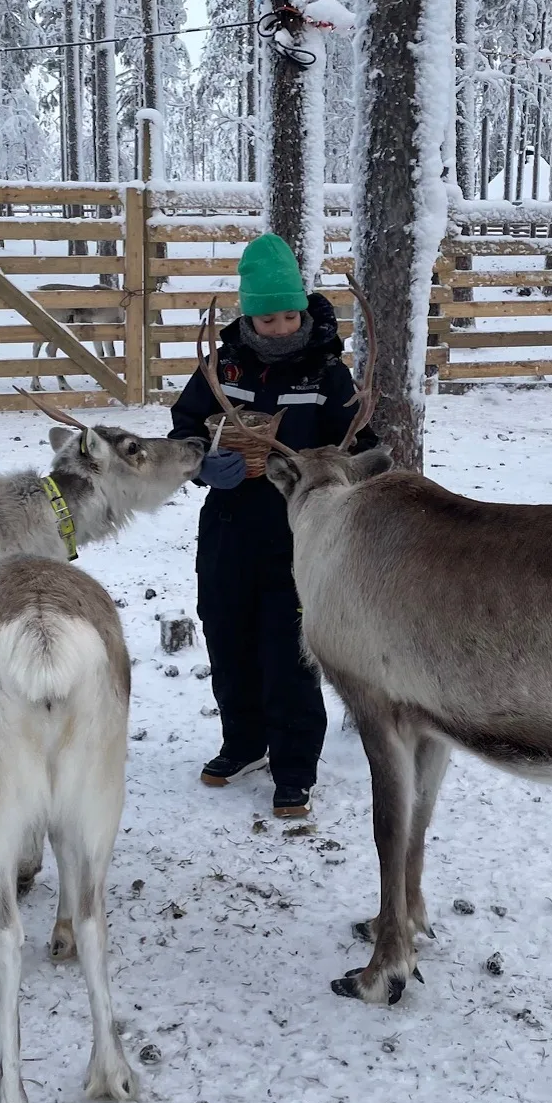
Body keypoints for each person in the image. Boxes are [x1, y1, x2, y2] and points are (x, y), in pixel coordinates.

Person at [169, 231, 379, 818]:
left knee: (290, 652)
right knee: (227, 635)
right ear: (248, 316)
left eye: (290, 315)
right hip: (229, 526)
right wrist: (201, 464)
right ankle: (243, 743)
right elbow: (184, 429)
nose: (282, 328)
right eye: (268, 319)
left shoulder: (327, 373)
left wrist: (328, 471)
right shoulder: (221, 366)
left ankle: (294, 767)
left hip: (301, 536)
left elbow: (360, 445)